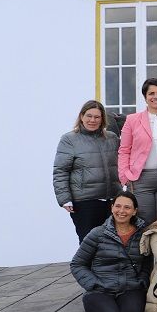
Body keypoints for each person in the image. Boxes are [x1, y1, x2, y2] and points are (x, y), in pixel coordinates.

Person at [68, 192, 148, 312]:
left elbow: (149, 262)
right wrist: (94, 284)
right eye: (118, 206)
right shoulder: (98, 233)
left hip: (131, 287)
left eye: (127, 207)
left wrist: (142, 281)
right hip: (100, 289)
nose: (122, 211)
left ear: (134, 211)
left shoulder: (143, 233)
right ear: (112, 208)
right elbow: (77, 264)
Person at [54, 100, 122, 242]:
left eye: (97, 117)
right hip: (84, 202)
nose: (93, 120)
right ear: (81, 117)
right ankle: (86, 266)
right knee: (89, 243)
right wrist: (64, 199)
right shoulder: (69, 140)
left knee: (113, 242)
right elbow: (61, 171)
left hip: (112, 200)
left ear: (103, 118)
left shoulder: (112, 138)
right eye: (89, 116)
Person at [117, 78, 157, 225]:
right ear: (145, 97)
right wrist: (124, 176)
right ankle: (145, 248)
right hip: (141, 178)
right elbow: (124, 150)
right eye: (151, 93)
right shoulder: (132, 120)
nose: (155, 97)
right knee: (144, 220)